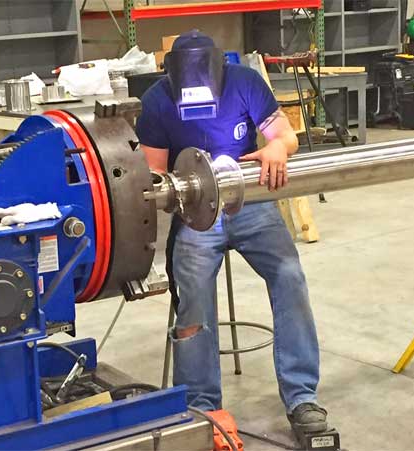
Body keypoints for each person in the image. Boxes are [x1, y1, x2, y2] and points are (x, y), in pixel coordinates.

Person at [135, 30, 329, 434]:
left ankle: (302, 396)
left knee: (290, 277)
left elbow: (285, 135)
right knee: (193, 301)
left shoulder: (244, 82)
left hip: (250, 203)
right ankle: (202, 408)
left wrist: (278, 148)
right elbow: (153, 176)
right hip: (194, 213)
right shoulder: (157, 100)